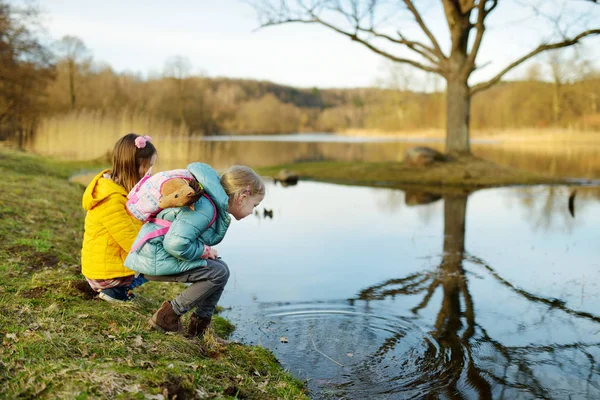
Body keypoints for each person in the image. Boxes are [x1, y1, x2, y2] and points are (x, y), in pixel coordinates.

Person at [124, 163, 265, 342]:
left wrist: (203, 252)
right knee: (218, 272)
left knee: (220, 268)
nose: (253, 211)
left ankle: (199, 329)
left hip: (155, 254)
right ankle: (167, 317)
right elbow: (175, 244)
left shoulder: (210, 203)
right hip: (153, 257)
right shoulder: (205, 207)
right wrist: (203, 251)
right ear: (242, 197)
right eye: (255, 205)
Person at [81, 133, 157, 302]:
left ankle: (121, 289)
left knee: (155, 257)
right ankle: (112, 292)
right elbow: (131, 241)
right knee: (157, 261)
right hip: (103, 274)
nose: (151, 173)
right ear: (132, 166)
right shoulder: (110, 199)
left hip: (108, 266)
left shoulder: (121, 192)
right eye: (148, 166)